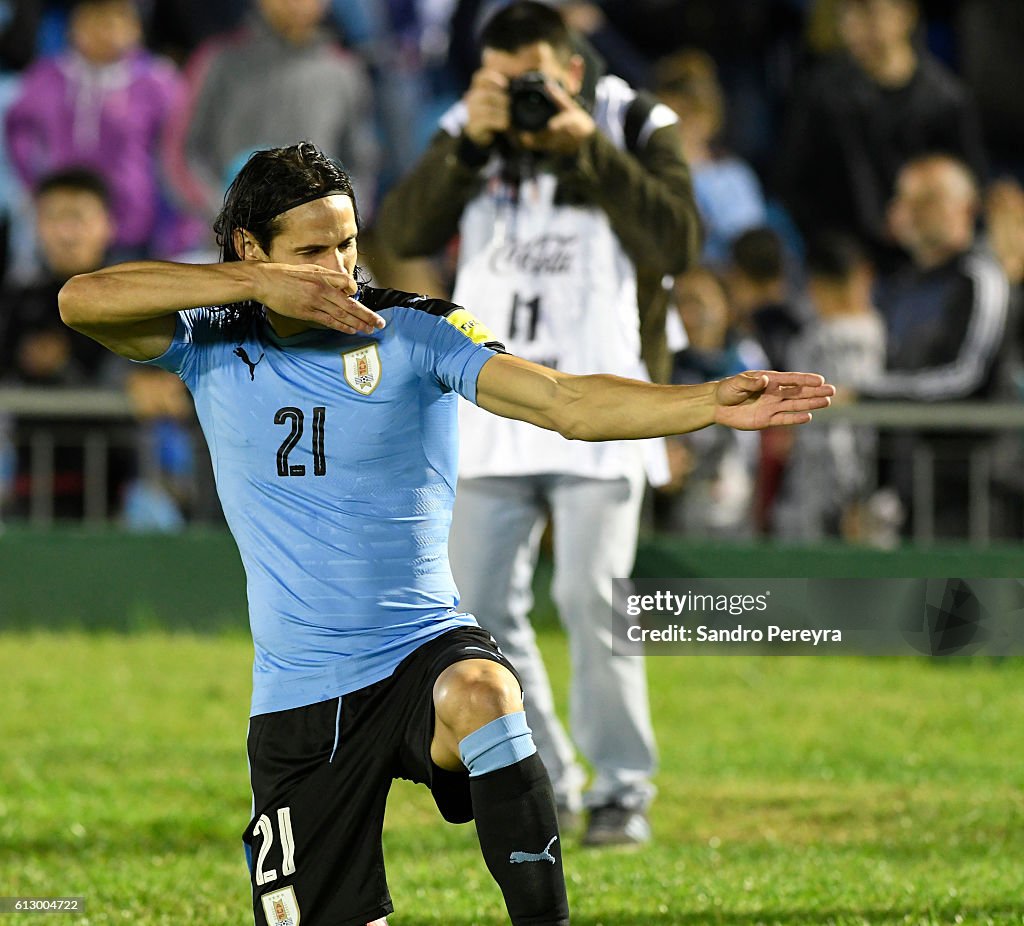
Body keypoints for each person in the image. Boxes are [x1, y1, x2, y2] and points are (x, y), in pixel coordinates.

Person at [57, 141, 833, 925]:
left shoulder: (414, 332)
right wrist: (251, 284)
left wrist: (704, 402)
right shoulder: (209, 340)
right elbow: (82, 299)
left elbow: (564, 401)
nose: (339, 268)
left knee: (486, 692)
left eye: (348, 243)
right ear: (251, 248)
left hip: (419, 650)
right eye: (313, 250)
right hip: (298, 694)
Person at [376, 0, 699, 845]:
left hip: (606, 400)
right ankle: (546, 771)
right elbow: (402, 232)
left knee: (593, 597)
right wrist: (466, 145)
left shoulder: (632, 121)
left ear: (573, 72)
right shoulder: (467, 129)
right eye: (503, 80)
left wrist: (581, 147)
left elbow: (677, 244)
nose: (522, 95)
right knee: (476, 605)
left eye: (535, 79)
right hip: (495, 400)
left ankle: (623, 789)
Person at [860, 154, 1010, 538]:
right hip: (911, 491)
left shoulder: (981, 279)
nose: (911, 211)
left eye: (927, 199)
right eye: (905, 199)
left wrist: (866, 395)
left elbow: (966, 377)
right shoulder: (899, 287)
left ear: (965, 207)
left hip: (976, 491)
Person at [776, 0, 988, 269]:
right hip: (850, 263)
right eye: (846, 14)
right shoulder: (820, 95)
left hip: (929, 263)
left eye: (869, 13)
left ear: (905, 15)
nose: (854, 27)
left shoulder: (946, 101)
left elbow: (969, 191)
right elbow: (791, 182)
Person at [4, 0, 197, 259]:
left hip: (133, 224)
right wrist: (34, 181)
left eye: (115, 20)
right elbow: (17, 128)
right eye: (93, 20)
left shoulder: (157, 81)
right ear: (73, 27)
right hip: (63, 223)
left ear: (135, 29)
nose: (105, 31)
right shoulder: (47, 75)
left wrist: (179, 224)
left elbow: (180, 152)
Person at [163, 0, 379, 225]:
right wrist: (225, 210)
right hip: (229, 241)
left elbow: (361, 161)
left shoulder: (343, 73)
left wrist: (341, 216)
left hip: (315, 239)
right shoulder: (219, 62)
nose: (297, 4)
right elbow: (183, 152)